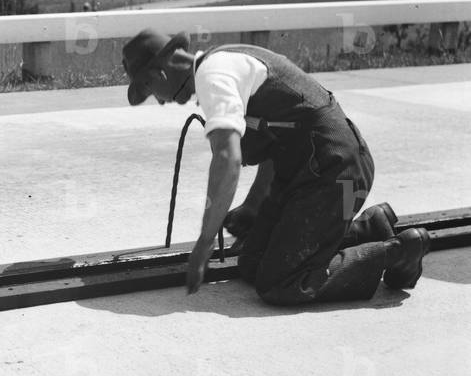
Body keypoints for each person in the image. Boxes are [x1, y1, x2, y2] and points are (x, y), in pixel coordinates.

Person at [121, 29, 430, 303]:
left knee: (280, 282)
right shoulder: (227, 59)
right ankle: (370, 227)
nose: (160, 102)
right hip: (325, 174)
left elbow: (227, 159)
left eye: (151, 94)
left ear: (157, 77)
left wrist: (204, 244)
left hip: (340, 178)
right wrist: (253, 207)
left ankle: (399, 253)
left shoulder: (213, 78)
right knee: (252, 263)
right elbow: (276, 139)